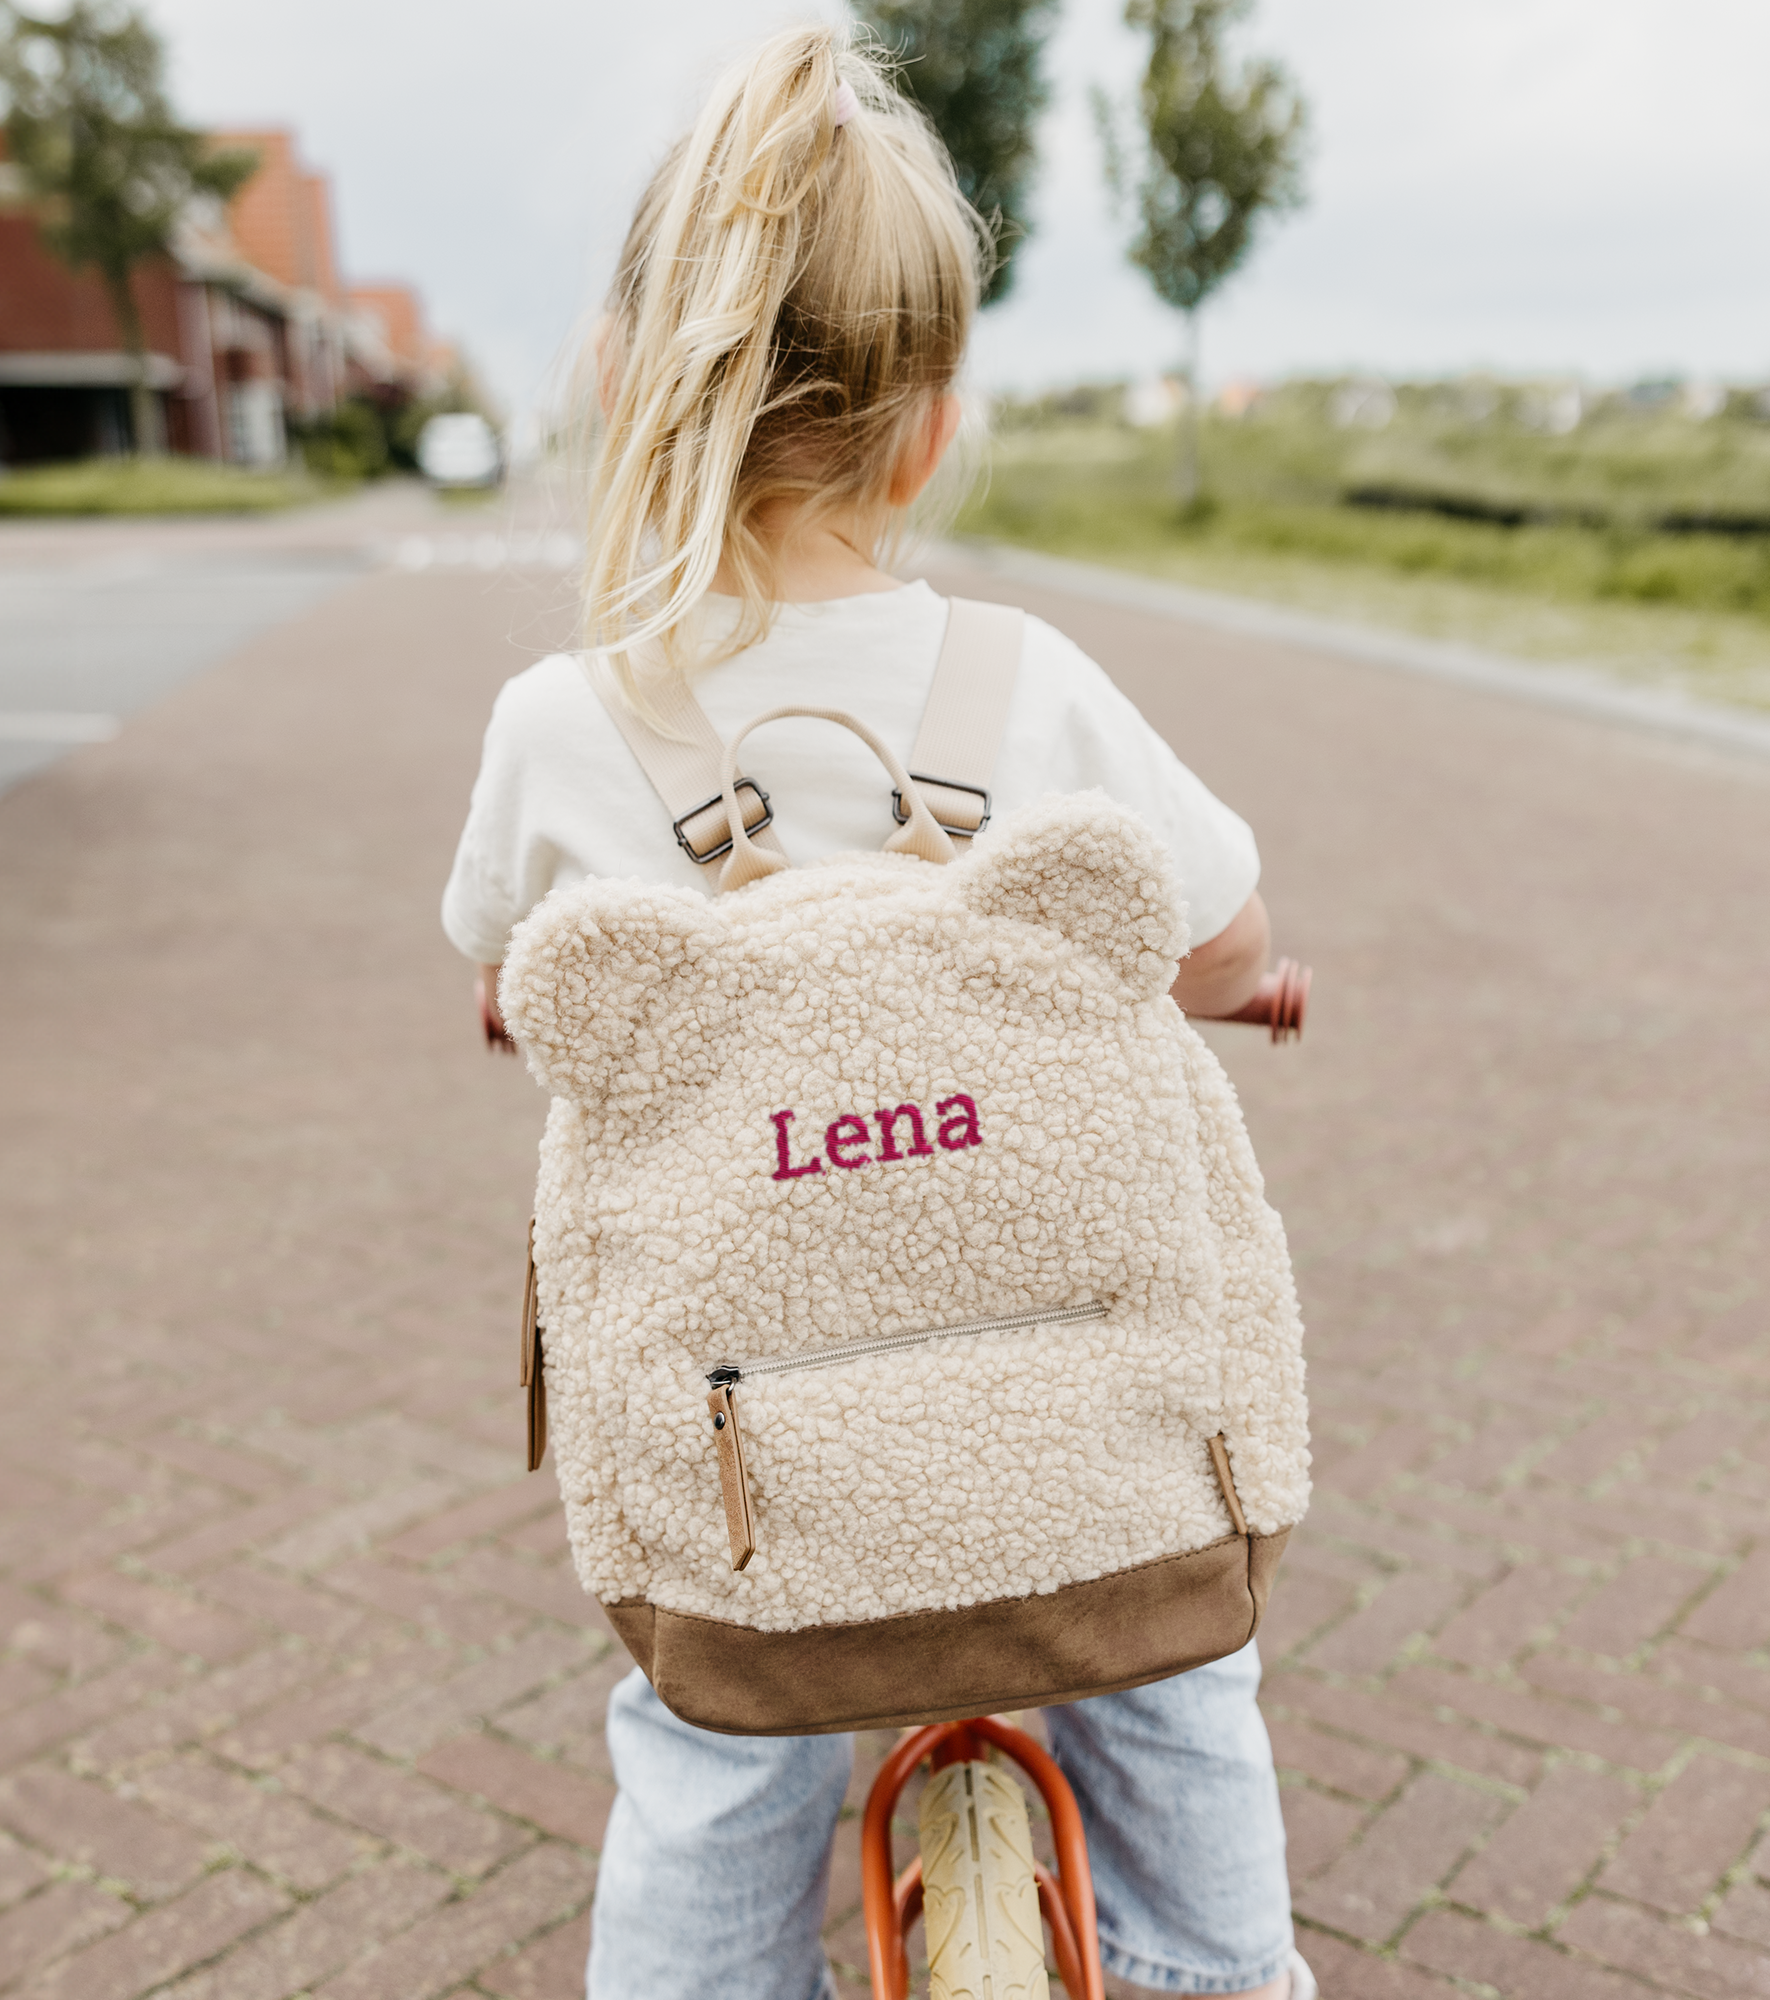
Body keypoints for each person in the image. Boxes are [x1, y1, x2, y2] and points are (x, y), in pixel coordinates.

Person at [441, 27, 1313, 2000]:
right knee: (1178, 1663)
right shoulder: (1030, 679)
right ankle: (1217, 1969)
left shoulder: (560, 725)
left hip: (753, 1479)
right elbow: (1211, 929)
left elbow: (501, 954)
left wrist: (525, 995)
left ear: (623, 378)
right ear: (929, 431)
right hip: (1074, 1445)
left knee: (707, 1726)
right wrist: (1242, 983)